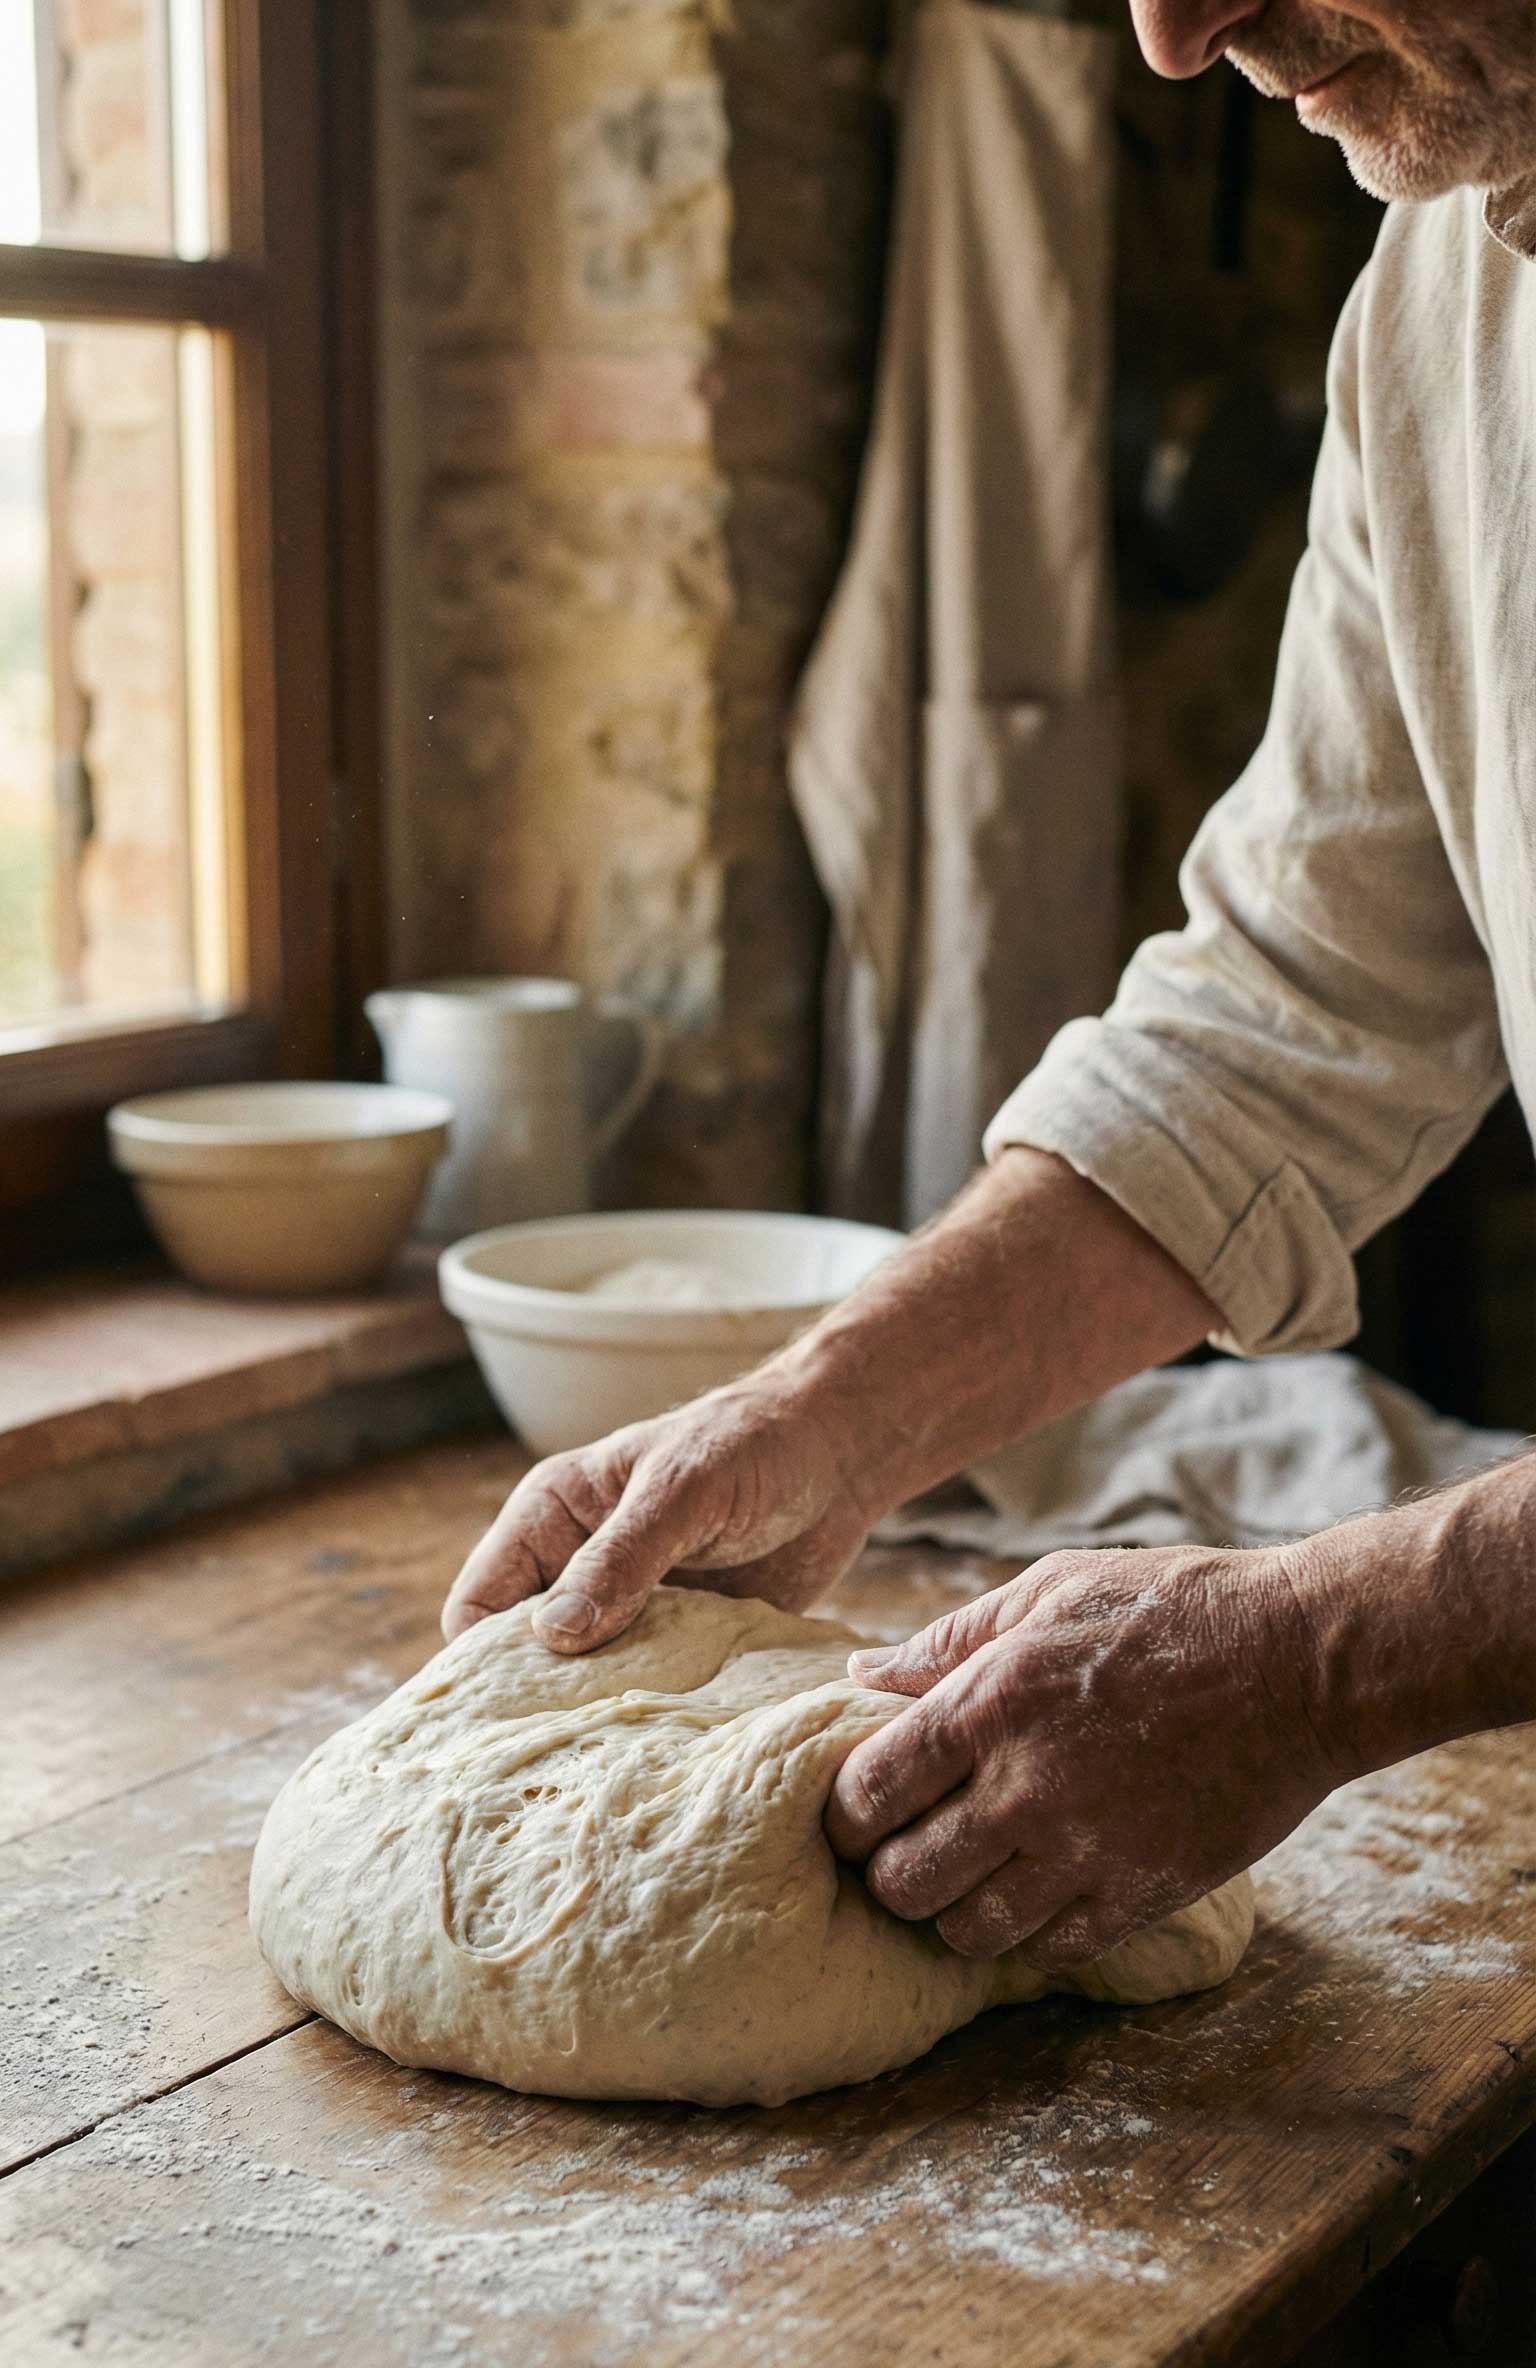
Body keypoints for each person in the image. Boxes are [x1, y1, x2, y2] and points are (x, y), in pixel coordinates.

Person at [443, 1, 1536, 1978]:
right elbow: (1279, 1021)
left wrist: (1313, 1653)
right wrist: (824, 1415)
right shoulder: (1440, 306)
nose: (1177, 30)